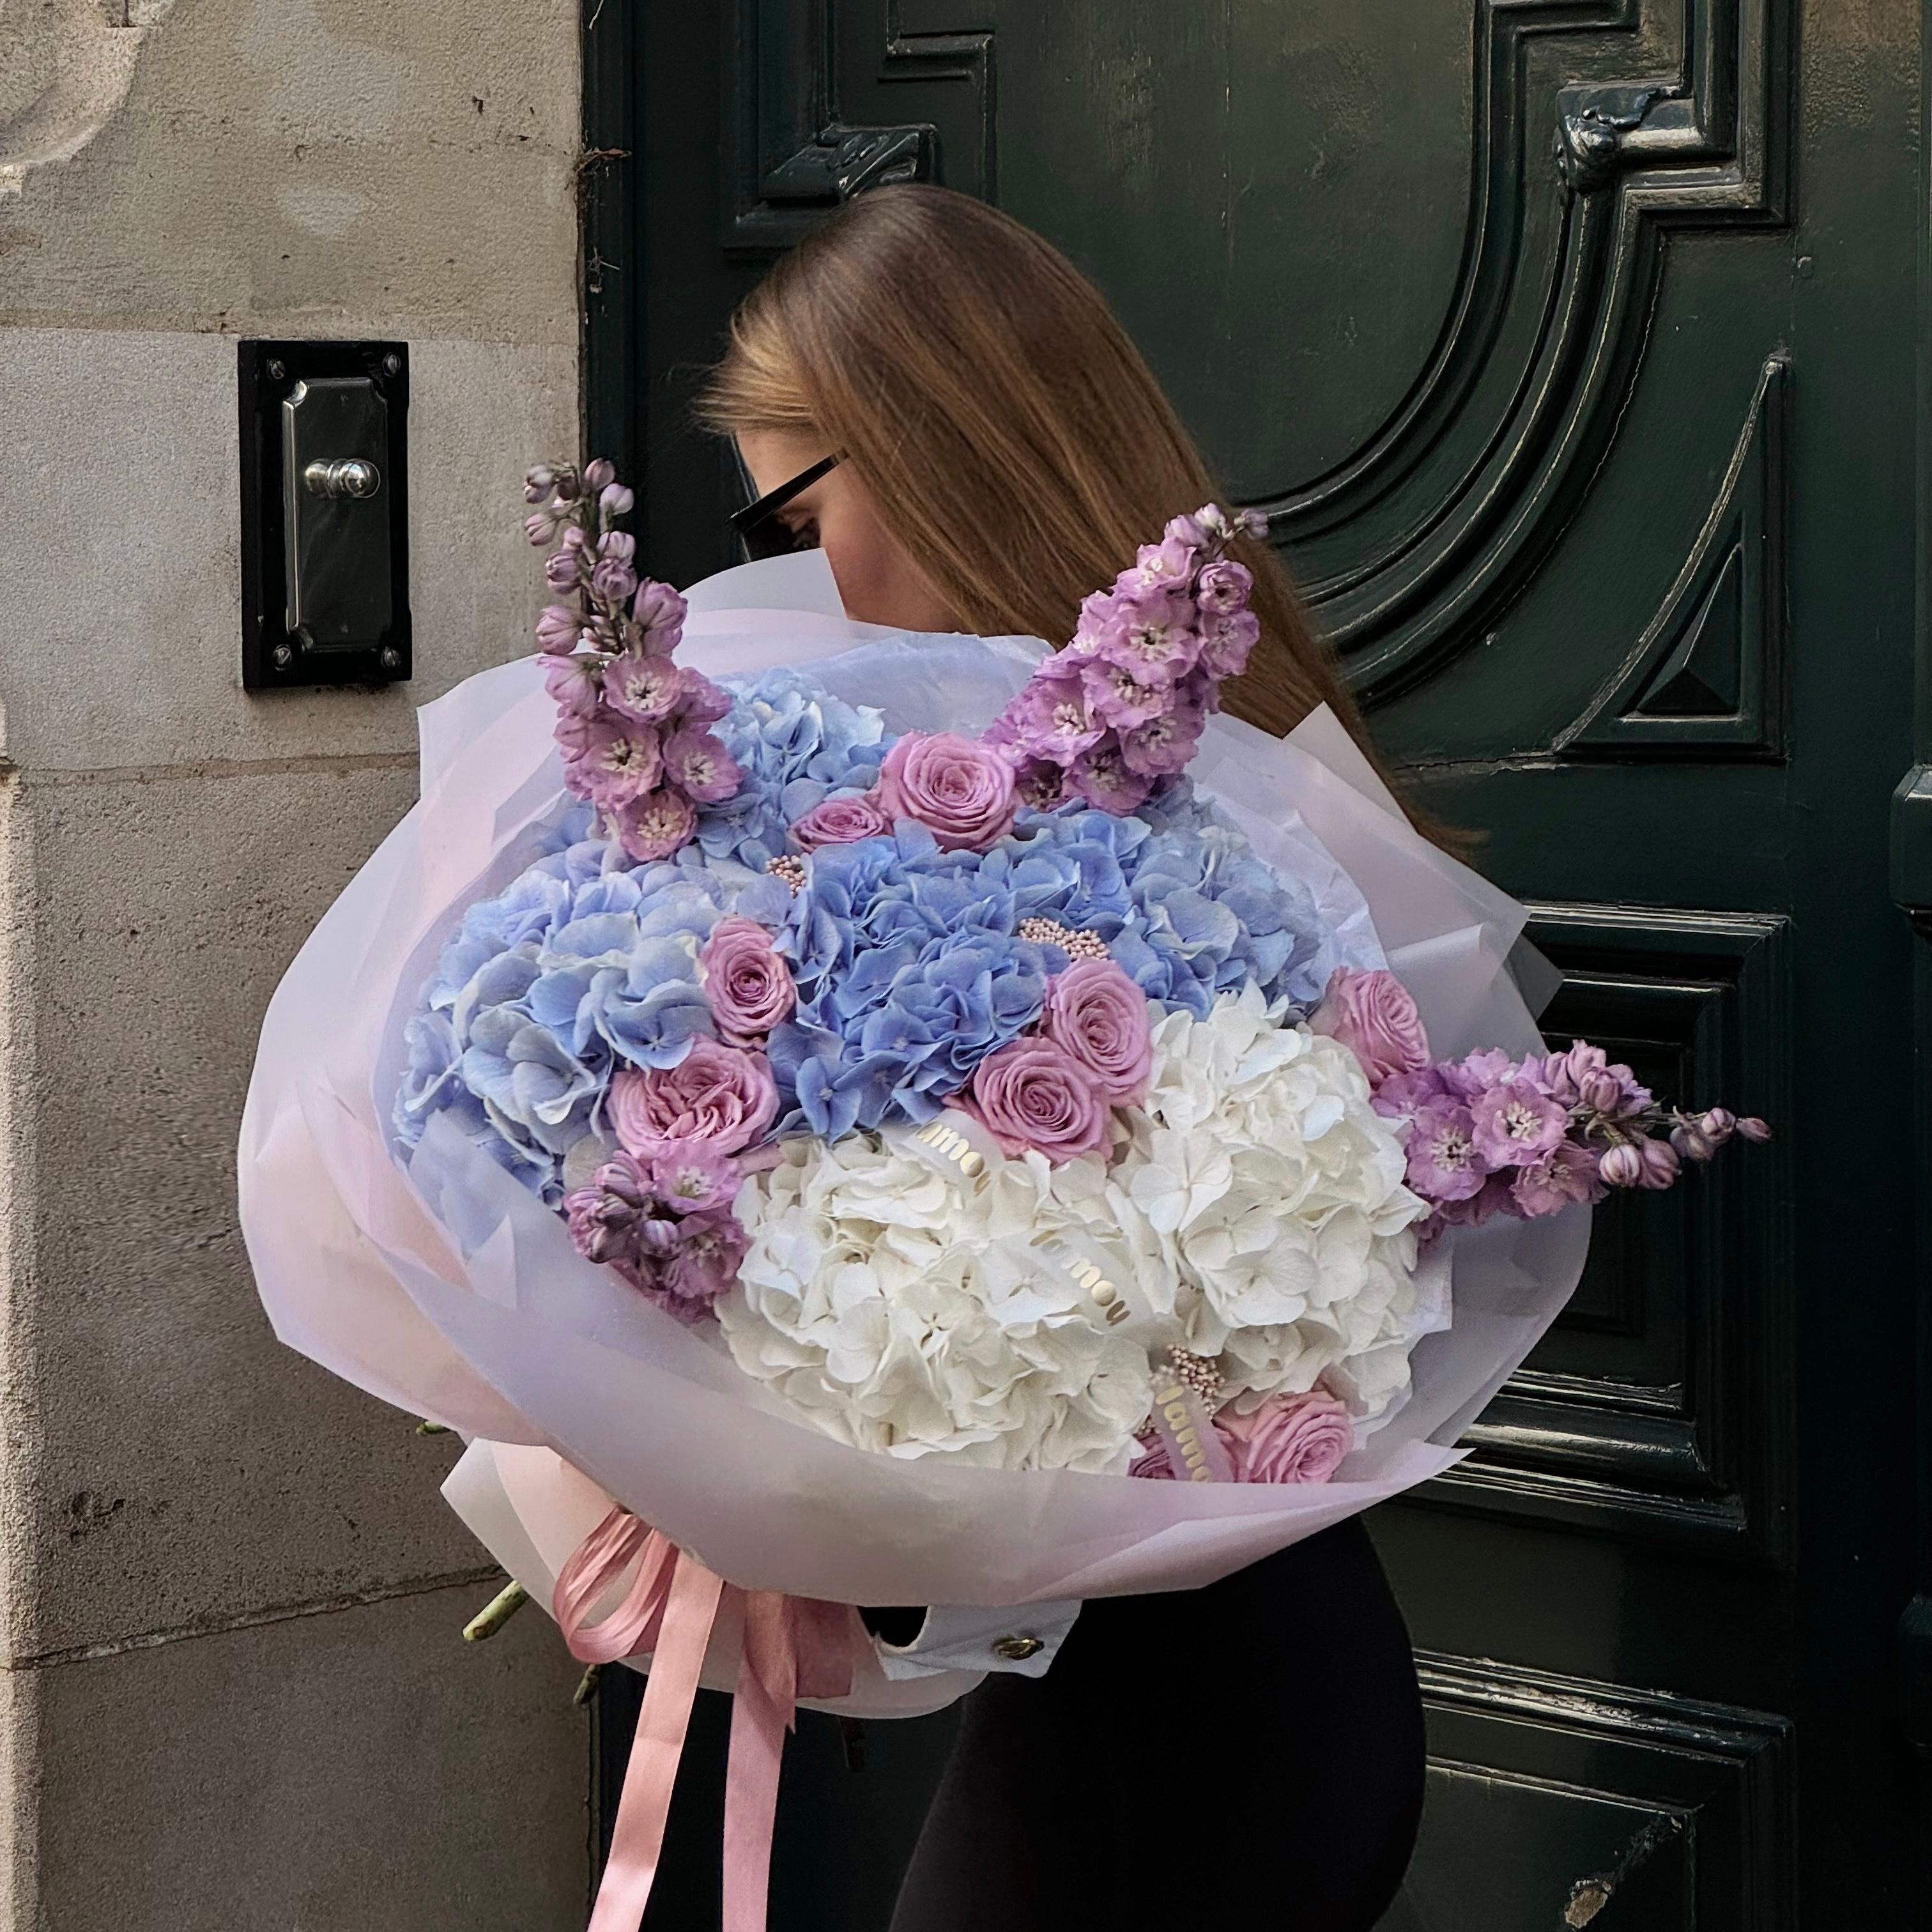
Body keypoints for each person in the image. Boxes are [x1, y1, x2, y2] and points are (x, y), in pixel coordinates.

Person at [700, 183, 1427, 1932]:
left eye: (796, 510)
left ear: (941, 449)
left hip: (1200, 1727)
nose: (789, 580)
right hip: (1176, 1695)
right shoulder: (975, 772)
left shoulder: (1206, 809)